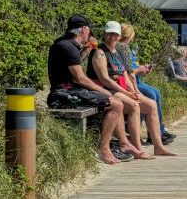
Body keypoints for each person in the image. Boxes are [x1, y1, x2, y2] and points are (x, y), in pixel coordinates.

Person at [46, 15, 130, 165]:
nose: (90, 33)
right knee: (116, 104)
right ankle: (104, 149)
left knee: (114, 101)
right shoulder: (68, 47)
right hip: (64, 94)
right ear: (83, 29)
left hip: (65, 91)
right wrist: (102, 91)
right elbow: (80, 78)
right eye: (88, 29)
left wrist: (88, 48)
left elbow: (75, 60)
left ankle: (117, 144)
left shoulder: (63, 44)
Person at [92, 22, 176, 157]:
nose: (112, 37)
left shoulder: (118, 51)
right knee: (134, 106)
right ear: (105, 34)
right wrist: (127, 93)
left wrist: (134, 91)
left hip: (121, 88)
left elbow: (124, 74)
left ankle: (158, 146)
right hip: (108, 90)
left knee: (152, 105)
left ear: (119, 36)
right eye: (110, 33)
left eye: (115, 34)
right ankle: (138, 148)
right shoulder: (100, 52)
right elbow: (104, 79)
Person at [119, 23, 176, 145]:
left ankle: (157, 131)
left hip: (135, 80)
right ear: (129, 36)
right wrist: (139, 70)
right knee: (151, 94)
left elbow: (130, 69)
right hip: (128, 82)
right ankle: (152, 133)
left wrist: (141, 69)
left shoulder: (125, 49)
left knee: (156, 92)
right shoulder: (123, 49)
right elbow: (126, 72)